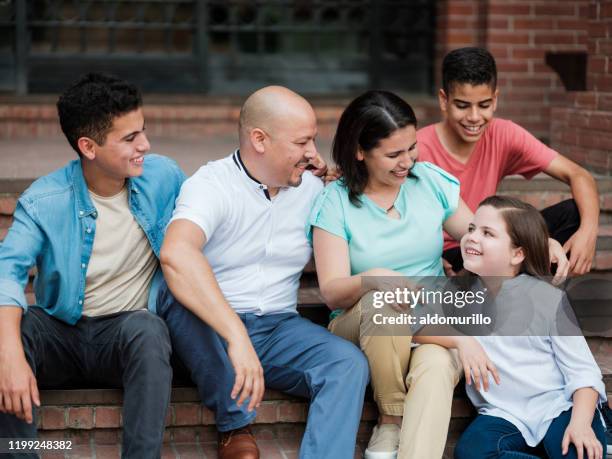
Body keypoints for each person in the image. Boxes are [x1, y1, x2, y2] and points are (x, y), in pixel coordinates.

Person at [157, 85, 369, 459]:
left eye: (314, 142)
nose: (312, 153)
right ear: (260, 140)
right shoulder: (211, 184)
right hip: (211, 328)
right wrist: (235, 334)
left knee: (346, 363)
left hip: (278, 328)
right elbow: (176, 253)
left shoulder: (313, 189)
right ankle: (234, 424)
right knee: (175, 298)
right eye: (302, 142)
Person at [0, 73, 185, 458]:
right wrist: (11, 359)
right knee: (14, 332)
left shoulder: (163, 177)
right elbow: (7, 273)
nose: (145, 145)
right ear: (88, 146)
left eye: (144, 132)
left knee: (149, 330)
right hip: (61, 332)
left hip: (125, 334)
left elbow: (218, 201)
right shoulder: (44, 200)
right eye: (130, 138)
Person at [415, 195, 607, 459]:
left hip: (559, 407)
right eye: (471, 229)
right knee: (472, 452)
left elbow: (583, 373)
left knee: (576, 449)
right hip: (503, 415)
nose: (472, 237)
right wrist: (462, 341)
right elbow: (415, 326)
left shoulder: (547, 299)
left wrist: (581, 423)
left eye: (487, 233)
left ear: (517, 254)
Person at [417, 47, 600, 276]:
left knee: (573, 213)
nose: (474, 117)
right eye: (462, 106)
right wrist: (432, 260)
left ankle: (528, 291)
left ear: (495, 100)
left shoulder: (504, 134)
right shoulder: (416, 149)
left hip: (496, 241)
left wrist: (589, 232)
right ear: (444, 101)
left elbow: (578, 175)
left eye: (483, 105)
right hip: (453, 254)